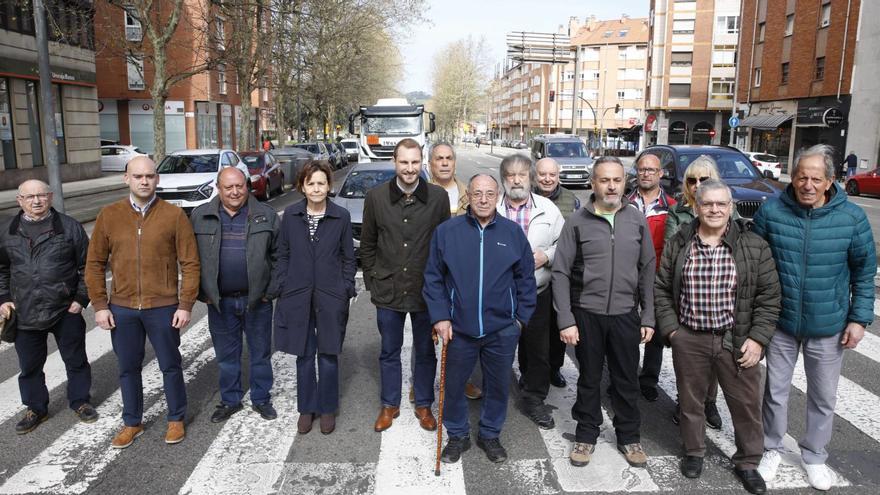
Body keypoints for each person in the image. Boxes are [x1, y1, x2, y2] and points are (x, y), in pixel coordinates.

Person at [752, 144, 876, 491]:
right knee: (775, 392)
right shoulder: (771, 213)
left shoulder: (851, 218)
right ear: (792, 178)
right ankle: (772, 448)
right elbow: (754, 264)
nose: (807, 184)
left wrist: (859, 319)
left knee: (823, 396)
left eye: (815, 179)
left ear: (830, 181)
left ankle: (814, 456)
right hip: (780, 321)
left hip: (829, 324)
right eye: (801, 177)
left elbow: (865, 271)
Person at [655, 179, 780, 494]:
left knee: (746, 405)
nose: (714, 209)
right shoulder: (680, 242)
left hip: (735, 339)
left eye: (721, 204)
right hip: (690, 337)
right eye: (707, 204)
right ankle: (694, 451)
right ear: (696, 207)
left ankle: (748, 462)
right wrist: (673, 331)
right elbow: (661, 288)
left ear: (730, 207)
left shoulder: (753, 245)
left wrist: (758, 339)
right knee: (691, 401)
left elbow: (769, 297)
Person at [85, 156, 200, 449]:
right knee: (127, 367)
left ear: (157, 180)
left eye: (149, 176)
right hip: (122, 308)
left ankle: (175, 418)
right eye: (138, 176)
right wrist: (100, 305)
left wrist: (185, 304)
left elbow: (190, 263)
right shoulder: (108, 215)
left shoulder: (174, 215)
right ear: (127, 179)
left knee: (170, 364)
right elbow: (95, 263)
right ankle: (132, 422)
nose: (144, 181)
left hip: (162, 306)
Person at [424, 174, 537, 464]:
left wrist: (520, 321)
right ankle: (458, 435)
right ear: (469, 197)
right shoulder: (447, 232)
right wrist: (440, 317)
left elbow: (526, 280)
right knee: (452, 385)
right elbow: (433, 278)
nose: (483, 199)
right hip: (458, 329)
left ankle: (489, 434)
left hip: (501, 330)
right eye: (477, 194)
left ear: (497, 195)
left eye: (489, 193)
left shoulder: (512, 233)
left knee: (498, 386)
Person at [552, 156, 655, 468]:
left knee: (626, 379)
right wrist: (566, 319)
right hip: (587, 314)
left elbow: (648, 266)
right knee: (589, 378)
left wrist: (648, 315)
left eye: (617, 180)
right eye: (604, 180)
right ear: (592, 183)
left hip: (625, 314)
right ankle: (585, 434)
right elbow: (560, 272)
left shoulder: (636, 219)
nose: (611, 186)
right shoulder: (577, 222)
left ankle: (628, 435)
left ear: (624, 183)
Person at [360, 138, 450, 432]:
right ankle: (390, 404)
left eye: (414, 162)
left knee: (425, 351)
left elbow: (443, 246)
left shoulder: (437, 198)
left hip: (426, 291)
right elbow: (368, 243)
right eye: (403, 162)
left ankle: (423, 403)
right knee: (389, 350)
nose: (409, 169)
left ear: (422, 162)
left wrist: (443, 289)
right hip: (388, 289)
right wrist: (373, 281)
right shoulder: (375, 197)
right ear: (394, 163)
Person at [0, 180, 96, 434]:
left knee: (75, 360)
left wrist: (80, 299)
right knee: (30, 366)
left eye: (41, 195)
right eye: (30, 196)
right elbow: (2, 269)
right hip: (24, 311)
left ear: (50, 197)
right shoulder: (7, 230)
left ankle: (80, 401)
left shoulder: (69, 227)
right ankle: (36, 408)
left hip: (65, 309)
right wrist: (3, 299)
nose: (36, 201)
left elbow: (88, 266)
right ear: (19, 200)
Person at [190, 167, 280, 424]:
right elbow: (188, 259)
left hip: (257, 301)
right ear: (218, 188)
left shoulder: (266, 215)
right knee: (227, 357)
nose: (234, 191)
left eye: (239, 186)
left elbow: (280, 257)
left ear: (247, 186)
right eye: (228, 187)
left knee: (260, 353)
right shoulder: (200, 216)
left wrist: (269, 292)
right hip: (220, 302)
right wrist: (201, 293)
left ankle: (261, 399)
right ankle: (230, 400)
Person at [273, 160, 356, 435]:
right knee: (304, 354)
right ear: (302, 186)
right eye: (311, 183)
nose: (316, 188)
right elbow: (282, 254)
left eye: (321, 183)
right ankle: (307, 408)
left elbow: (348, 258)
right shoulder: (291, 215)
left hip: (331, 295)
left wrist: (345, 288)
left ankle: (328, 407)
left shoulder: (340, 217)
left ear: (329, 186)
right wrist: (283, 285)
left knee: (329, 353)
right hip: (297, 294)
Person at [496, 154, 564, 430]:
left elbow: (565, 245)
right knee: (498, 348)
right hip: (500, 294)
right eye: (511, 174)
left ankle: (534, 398)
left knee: (537, 350)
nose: (516, 179)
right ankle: (496, 396)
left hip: (537, 291)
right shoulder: (493, 208)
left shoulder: (548, 209)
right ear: (504, 179)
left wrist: (547, 256)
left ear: (530, 178)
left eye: (522, 174)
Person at [663, 155, 730, 429]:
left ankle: (710, 402)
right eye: (692, 180)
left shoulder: (726, 210)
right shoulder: (677, 212)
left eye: (704, 179)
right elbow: (672, 246)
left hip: (720, 296)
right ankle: (686, 400)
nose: (697, 184)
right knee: (689, 358)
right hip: (687, 295)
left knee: (716, 357)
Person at [426, 142, 482, 401]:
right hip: (433, 270)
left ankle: (463, 380)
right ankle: (423, 383)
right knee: (427, 332)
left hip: (462, 275)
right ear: (431, 164)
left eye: (449, 158)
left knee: (462, 333)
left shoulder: (467, 193)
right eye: (440, 158)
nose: (445, 163)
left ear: (455, 162)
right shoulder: (423, 193)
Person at [626, 153, 676, 403]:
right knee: (625, 331)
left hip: (657, 278)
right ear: (637, 172)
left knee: (654, 332)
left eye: (651, 170)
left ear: (661, 174)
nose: (646, 173)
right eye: (642, 169)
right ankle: (623, 377)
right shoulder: (624, 202)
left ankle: (648, 379)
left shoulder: (671, 207)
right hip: (626, 277)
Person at [533, 157, 581, 389]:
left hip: (562, 274)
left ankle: (554, 368)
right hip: (534, 276)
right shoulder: (525, 197)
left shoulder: (571, 200)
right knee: (531, 330)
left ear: (558, 175)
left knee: (557, 325)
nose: (547, 179)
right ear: (535, 175)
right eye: (543, 174)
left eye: (552, 174)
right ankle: (529, 370)